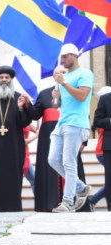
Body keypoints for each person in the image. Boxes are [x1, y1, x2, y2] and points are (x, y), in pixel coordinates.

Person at [48, 43, 94, 212]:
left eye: (65, 56)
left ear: (74, 56)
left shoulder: (85, 73)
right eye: (62, 57)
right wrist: (56, 96)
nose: (63, 60)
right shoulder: (63, 78)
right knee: (53, 160)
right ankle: (81, 188)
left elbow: (82, 96)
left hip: (76, 123)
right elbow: (56, 104)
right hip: (62, 123)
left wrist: (64, 83)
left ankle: (67, 202)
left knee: (69, 161)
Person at [0, 65, 34, 212]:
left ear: (11, 80)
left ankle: (14, 208)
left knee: (13, 178)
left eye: (7, 77)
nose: (4, 80)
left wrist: (22, 108)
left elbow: (25, 122)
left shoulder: (19, 98)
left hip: (14, 147)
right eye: (1, 77)